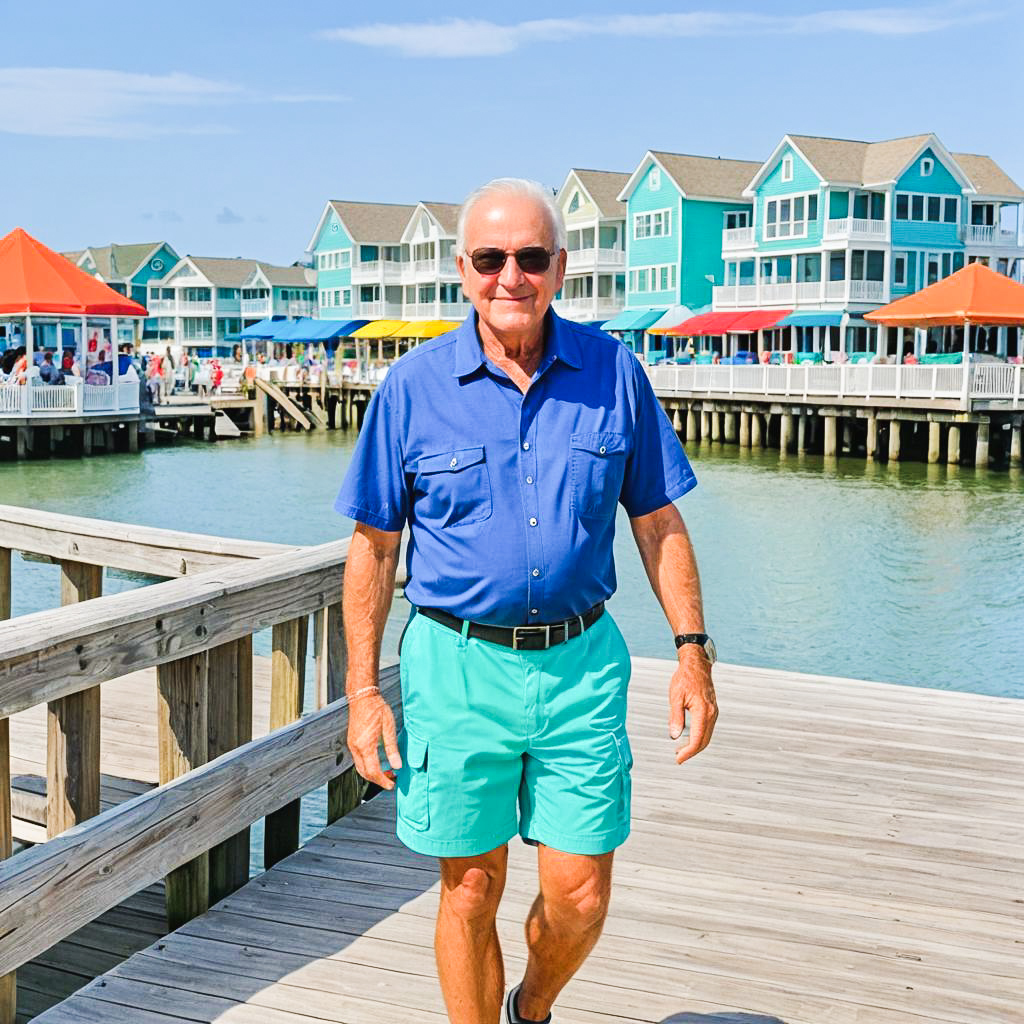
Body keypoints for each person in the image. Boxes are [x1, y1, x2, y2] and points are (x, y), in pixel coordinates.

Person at [336, 178, 718, 1024]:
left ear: (561, 268)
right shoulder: (411, 387)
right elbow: (373, 548)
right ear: (462, 272)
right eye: (490, 258)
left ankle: (532, 1008)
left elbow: (658, 520)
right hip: (456, 662)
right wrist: (364, 693)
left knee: (579, 894)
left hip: (582, 665)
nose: (512, 275)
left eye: (531, 257)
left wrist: (693, 651)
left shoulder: (615, 372)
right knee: (470, 886)